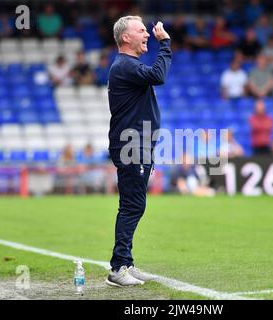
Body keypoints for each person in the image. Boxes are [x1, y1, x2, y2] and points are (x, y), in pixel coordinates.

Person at [106, 16, 172, 287]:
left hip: (137, 143)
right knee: (133, 205)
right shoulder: (124, 65)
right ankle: (118, 266)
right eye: (141, 30)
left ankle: (126, 263)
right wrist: (165, 44)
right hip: (132, 144)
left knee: (133, 205)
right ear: (125, 38)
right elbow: (159, 75)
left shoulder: (128, 66)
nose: (148, 33)